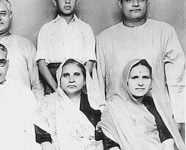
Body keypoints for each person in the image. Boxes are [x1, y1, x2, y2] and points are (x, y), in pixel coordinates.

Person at [96, 0, 185, 136]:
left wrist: (179, 118)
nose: (135, 3)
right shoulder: (104, 39)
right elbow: (98, 83)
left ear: (147, 2)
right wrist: (104, 120)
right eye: (129, 0)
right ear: (120, 3)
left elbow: (178, 80)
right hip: (119, 121)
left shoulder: (165, 32)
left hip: (159, 119)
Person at [97, 59, 184, 150]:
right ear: (126, 81)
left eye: (145, 77)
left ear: (151, 82)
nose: (141, 83)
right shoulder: (113, 108)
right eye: (135, 77)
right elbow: (111, 145)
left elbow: (166, 136)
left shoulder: (152, 104)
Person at [35, 59, 103, 150]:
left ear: (84, 80)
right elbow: (42, 134)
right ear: (59, 79)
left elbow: (102, 137)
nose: (71, 80)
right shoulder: (48, 104)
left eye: (77, 75)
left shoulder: (95, 105)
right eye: (66, 75)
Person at [36, 0, 96, 94]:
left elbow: (90, 61)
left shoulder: (85, 29)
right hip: (53, 82)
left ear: (77, 1)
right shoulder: (46, 29)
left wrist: (80, 84)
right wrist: (56, 88)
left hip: (79, 83)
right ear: (55, 2)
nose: (67, 1)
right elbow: (41, 63)